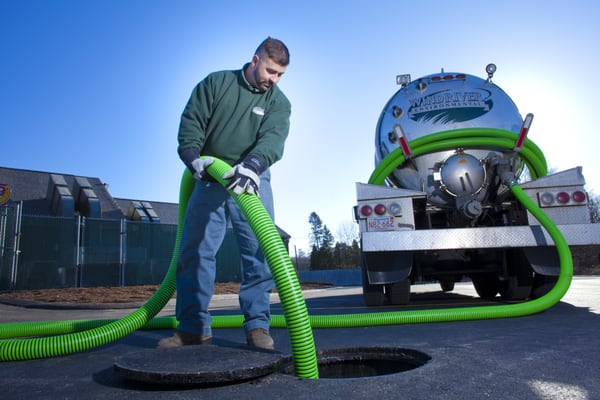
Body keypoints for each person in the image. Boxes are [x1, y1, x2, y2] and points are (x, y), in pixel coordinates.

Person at [158, 37, 291, 350]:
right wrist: (193, 158)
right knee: (195, 251)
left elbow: (273, 139)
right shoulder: (217, 83)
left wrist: (253, 165)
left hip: (251, 178)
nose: (274, 80)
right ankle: (192, 327)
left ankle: (257, 326)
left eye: (281, 75)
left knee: (260, 251)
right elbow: (191, 123)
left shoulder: (279, 102)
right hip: (211, 176)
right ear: (255, 60)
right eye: (271, 71)